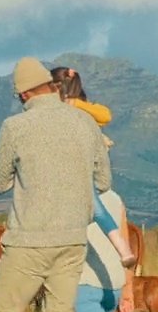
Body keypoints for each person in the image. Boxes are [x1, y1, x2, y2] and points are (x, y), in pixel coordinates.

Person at [0, 57, 112, 312]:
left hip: (30, 239)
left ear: (25, 93)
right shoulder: (84, 123)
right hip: (74, 239)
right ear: (50, 85)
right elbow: (103, 182)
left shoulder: (15, 127)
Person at [50, 66, 137, 268]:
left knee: (96, 208)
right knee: (97, 208)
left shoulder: (73, 107)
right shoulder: (73, 108)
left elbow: (106, 115)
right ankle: (122, 248)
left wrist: (76, 104)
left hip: (77, 164)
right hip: (78, 164)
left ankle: (122, 249)